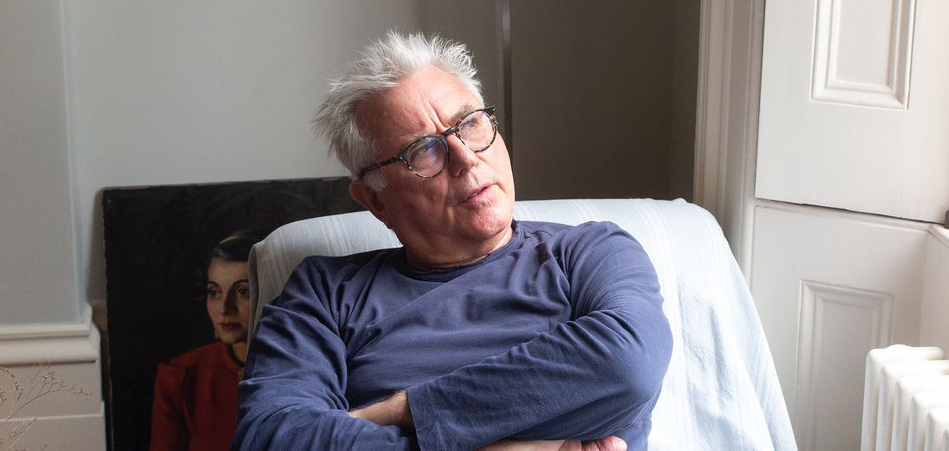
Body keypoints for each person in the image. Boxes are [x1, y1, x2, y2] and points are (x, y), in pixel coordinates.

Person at [233, 32, 672, 450]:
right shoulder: (325, 291)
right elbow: (270, 438)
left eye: (471, 123)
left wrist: (403, 411)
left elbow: (627, 363)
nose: (466, 157)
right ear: (375, 200)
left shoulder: (591, 252)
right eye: (423, 150)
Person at [151, 232, 258, 451]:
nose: (224, 308)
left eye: (242, 291)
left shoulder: (311, 369)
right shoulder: (181, 377)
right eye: (214, 292)